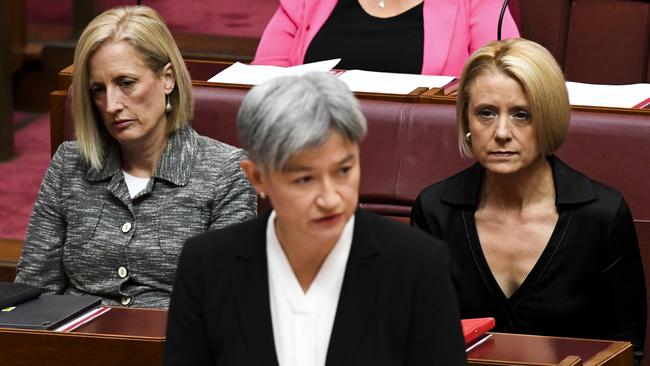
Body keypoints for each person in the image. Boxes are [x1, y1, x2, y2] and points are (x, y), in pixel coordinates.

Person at [165, 72, 466, 366]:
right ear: (257, 178)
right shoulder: (206, 265)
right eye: (305, 179)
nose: (330, 198)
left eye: (344, 171)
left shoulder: (417, 265)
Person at [411, 38, 647, 362]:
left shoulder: (602, 215)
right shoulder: (435, 211)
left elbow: (626, 352)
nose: (502, 132)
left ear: (548, 118)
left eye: (521, 115)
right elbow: (419, 340)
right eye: (486, 113)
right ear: (466, 120)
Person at [14, 6, 257, 309]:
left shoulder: (225, 172)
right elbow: (32, 293)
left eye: (126, 83)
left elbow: (225, 304)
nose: (112, 104)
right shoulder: (70, 165)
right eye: (98, 90)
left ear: (167, 79)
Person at [253, 0, 519, 75]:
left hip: (425, 153)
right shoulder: (306, 3)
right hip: (306, 153)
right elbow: (260, 83)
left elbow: (507, 79)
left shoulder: (477, 3)